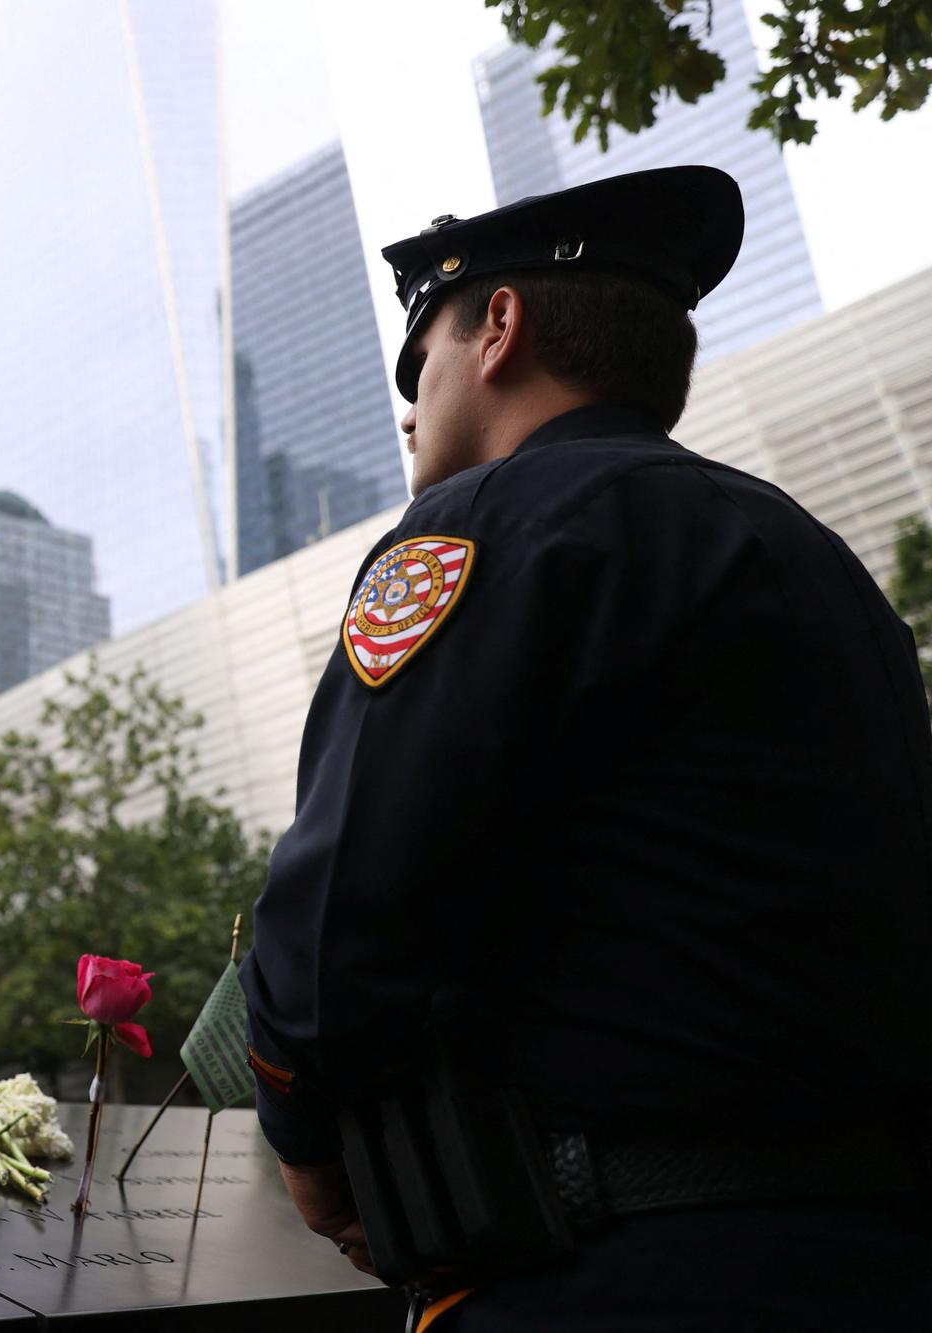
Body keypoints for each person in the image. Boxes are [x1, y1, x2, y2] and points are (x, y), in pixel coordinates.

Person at [238, 165, 932, 1330]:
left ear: (497, 327)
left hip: (603, 1269)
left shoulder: (478, 525)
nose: (408, 405)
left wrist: (305, 1140)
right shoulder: (813, 557)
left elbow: (346, 902)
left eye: (419, 364)